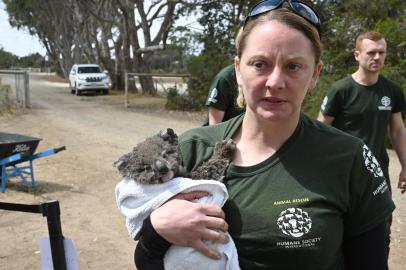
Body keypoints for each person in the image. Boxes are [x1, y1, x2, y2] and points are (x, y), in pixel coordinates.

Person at [125, 1, 395, 269]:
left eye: (293, 66)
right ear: (238, 70)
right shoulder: (190, 150)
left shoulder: (349, 158)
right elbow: (148, 260)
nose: (275, 82)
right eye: (260, 64)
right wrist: (156, 231)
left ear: (314, 74)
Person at [317, 31, 406, 195]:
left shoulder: (393, 91)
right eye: (371, 52)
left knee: (381, 219)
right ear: (357, 55)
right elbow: (321, 129)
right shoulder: (341, 90)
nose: (377, 57)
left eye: (381, 52)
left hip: (377, 171)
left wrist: (405, 166)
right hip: (343, 171)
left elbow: (397, 130)